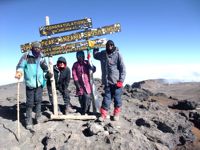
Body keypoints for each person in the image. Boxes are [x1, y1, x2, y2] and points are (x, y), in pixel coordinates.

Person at [15, 41, 49, 130]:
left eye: (39, 48)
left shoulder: (41, 57)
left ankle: (38, 117)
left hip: (39, 83)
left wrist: (46, 76)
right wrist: (19, 72)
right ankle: (29, 121)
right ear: (32, 48)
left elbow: (45, 69)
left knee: (38, 101)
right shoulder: (26, 56)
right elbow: (20, 66)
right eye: (36, 48)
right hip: (30, 84)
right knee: (29, 104)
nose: (37, 50)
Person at [93, 40, 126, 121]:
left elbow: (123, 69)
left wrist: (121, 81)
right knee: (106, 99)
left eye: (111, 45)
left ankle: (116, 114)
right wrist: (95, 46)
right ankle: (103, 115)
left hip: (116, 82)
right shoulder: (103, 54)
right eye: (108, 45)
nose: (110, 46)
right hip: (107, 82)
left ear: (113, 45)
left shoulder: (118, 54)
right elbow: (95, 55)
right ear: (106, 46)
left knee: (117, 99)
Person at [72, 51, 96, 115]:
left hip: (87, 84)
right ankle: (83, 110)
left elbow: (93, 69)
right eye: (78, 56)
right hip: (80, 84)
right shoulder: (75, 65)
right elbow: (74, 75)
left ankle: (86, 111)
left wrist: (91, 66)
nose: (80, 57)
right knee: (81, 98)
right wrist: (77, 84)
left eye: (81, 55)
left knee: (88, 98)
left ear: (83, 56)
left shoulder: (87, 62)